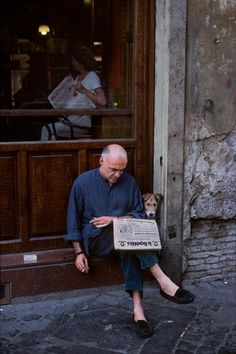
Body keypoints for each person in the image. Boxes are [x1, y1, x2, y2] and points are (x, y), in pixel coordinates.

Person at [65, 144, 195, 338]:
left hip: (126, 238)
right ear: (101, 161)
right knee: (126, 240)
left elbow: (139, 214)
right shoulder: (82, 183)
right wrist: (78, 252)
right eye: (113, 170)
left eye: (122, 170)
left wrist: (115, 220)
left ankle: (138, 311)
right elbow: (72, 219)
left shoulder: (129, 182)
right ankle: (164, 281)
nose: (118, 175)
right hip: (96, 239)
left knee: (128, 247)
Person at [41, 46, 107, 140]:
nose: (72, 63)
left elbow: (102, 101)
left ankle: (47, 154)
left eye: (74, 60)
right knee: (49, 128)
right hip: (71, 121)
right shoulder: (78, 77)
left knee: (47, 129)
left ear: (81, 63)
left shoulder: (92, 76)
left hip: (81, 125)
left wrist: (84, 90)